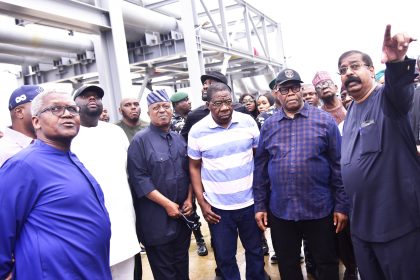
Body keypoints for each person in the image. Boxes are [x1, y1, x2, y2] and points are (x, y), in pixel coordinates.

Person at [0, 89, 112, 280]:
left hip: (88, 270)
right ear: (36, 121)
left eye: (71, 108)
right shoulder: (24, 165)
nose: (67, 113)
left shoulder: (69, 157)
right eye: (55, 109)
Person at [339, 25, 420, 279]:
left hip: (397, 228)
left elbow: (401, 89)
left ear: (372, 70)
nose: (348, 73)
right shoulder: (351, 110)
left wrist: (397, 63)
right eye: (342, 70)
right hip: (362, 228)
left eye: (354, 66)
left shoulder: (389, 99)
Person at [253, 68, 349, 280]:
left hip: (320, 208)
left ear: (301, 89)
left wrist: (341, 205)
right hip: (282, 210)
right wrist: (260, 205)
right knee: (288, 264)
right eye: (285, 89)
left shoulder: (324, 121)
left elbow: (338, 165)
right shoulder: (269, 126)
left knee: (326, 262)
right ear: (277, 93)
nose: (291, 93)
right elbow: (260, 169)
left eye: (295, 88)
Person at [188, 82, 265, 280]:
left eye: (228, 102)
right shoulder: (197, 131)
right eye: (217, 103)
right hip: (218, 208)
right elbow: (194, 168)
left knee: (255, 251)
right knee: (224, 257)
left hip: (250, 203)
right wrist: (203, 204)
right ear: (208, 105)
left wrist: (261, 198)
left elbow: (258, 158)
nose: (224, 108)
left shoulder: (248, 122)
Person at [71, 84, 141, 280]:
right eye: (85, 96)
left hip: (124, 224)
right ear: (73, 104)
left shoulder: (115, 132)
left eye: (96, 96)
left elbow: (131, 173)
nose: (92, 99)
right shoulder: (69, 136)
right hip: (88, 228)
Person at [127, 89, 193, 280]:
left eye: (166, 106)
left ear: (172, 110)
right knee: (165, 272)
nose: (162, 110)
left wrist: (189, 199)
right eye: (156, 108)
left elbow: (189, 172)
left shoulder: (179, 139)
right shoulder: (140, 141)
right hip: (156, 220)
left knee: (182, 267)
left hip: (182, 217)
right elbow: (139, 179)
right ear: (148, 113)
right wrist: (167, 204)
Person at [180, 71, 248, 142]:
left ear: (222, 88)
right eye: (204, 83)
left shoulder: (240, 109)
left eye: (211, 83)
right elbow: (182, 142)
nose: (205, 86)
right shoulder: (194, 115)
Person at [0, 85, 43, 167]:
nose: (48, 112)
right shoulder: (3, 151)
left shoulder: (52, 143)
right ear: (19, 112)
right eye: (40, 107)